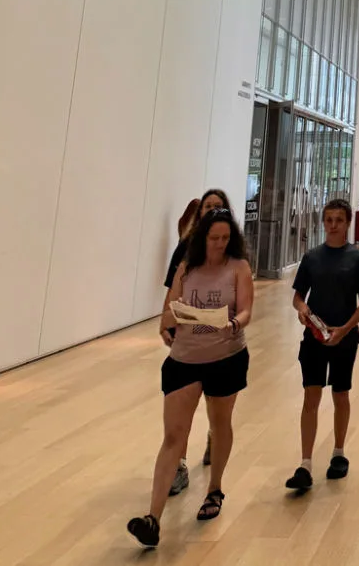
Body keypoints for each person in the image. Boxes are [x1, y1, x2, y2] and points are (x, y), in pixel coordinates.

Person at [126, 208, 253, 548]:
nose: (220, 244)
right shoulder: (186, 267)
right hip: (184, 359)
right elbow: (169, 310)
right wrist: (168, 325)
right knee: (173, 436)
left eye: (226, 239)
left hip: (226, 358)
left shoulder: (239, 267)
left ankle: (214, 490)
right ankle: (152, 517)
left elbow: (245, 310)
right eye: (214, 239)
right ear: (203, 238)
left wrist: (234, 324)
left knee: (219, 422)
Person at [285, 199, 359, 491]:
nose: (333, 225)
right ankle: (305, 464)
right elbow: (298, 297)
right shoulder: (311, 257)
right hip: (313, 338)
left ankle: (338, 453)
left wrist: (344, 329)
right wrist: (302, 311)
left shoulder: (358, 259)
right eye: (329, 220)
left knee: (340, 394)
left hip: (345, 339)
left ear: (348, 222)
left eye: (338, 219)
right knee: (310, 397)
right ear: (323, 223)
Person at [164, 186, 233, 493]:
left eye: (217, 207)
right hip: (186, 345)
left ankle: (212, 437)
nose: (210, 212)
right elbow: (171, 293)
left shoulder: (234, 255)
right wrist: (166, 323)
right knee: (182, 410)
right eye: (206, 207)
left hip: (221, 346)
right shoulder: (185, 249)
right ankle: (178, 465)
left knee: (213, 405)